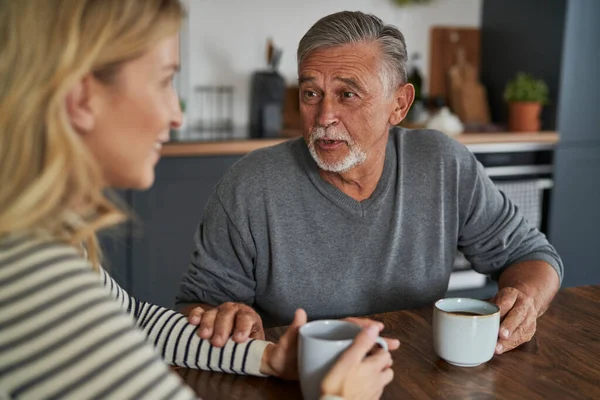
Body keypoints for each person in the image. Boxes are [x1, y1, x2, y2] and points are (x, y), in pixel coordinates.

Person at [0, 2, 397, 399]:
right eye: (164, 81)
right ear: (81, 98)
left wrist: (268, 357)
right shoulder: (32, 279)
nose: (177, 115)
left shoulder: (45, 241)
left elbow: (134, 321)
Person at [177, 11, 564, 357]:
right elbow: (196, 307)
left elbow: (531, 255)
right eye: (311, 93)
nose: (325, 115)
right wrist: (224, 317)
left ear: (399, 104)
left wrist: (525, 300)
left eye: (348, 94)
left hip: (415, 373)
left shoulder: (443, 163)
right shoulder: (250, 184)